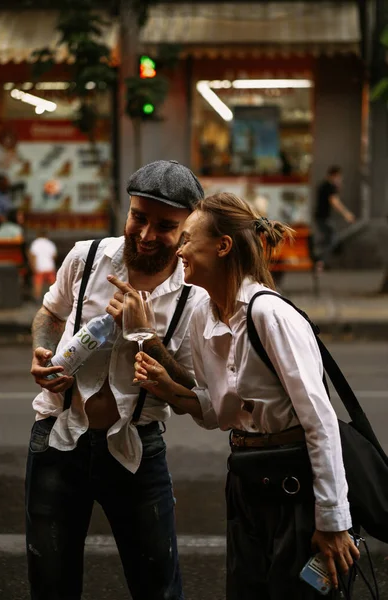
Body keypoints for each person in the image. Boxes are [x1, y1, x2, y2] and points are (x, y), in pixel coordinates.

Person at [134, 192, 360, 600]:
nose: (180, 249)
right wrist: (170, 389)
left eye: (188, 239)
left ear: (222, 246)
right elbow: (219, 412)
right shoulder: (204, 313)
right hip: (244, 479)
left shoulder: (270, 315)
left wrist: (332, 521)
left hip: (293, 485)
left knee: (296, 592)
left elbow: (319, 421)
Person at [27, 159, 207, 600]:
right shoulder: (86, 257)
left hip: (137, 448)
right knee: (50, 584)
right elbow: (50, 313)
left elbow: (193, 387)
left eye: (164, 226)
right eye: (138, 217)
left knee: (158, 587)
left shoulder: (194, 295)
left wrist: (147, 336)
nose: (145, 235)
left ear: (187, 229)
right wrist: (42, 351)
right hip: (57, 438)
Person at [314, 166, 355, 268]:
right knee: (333, 238)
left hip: (321, 216)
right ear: (335, 175)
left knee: (328, 237)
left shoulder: (324, 185)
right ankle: (320, 259)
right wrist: (346, 214)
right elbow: (335, 201)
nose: (340, 179)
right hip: (324, 217)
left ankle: (319, 256)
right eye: (339, 177)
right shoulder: (329, 186)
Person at [28, 230, 57, 302]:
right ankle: (56, 297)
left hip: (39, 267)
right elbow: (54, 256)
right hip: (49, 267)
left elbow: (32, 256)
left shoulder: (35, 243)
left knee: (38, 283)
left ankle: (37, 297)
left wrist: (33, 266)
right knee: (53, 284)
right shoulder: (50, 243)